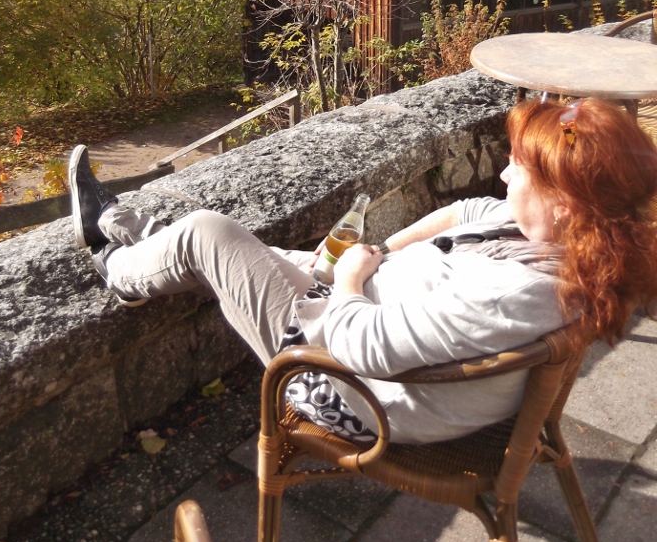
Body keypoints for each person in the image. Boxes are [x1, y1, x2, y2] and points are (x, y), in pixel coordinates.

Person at [69, 97, 657, 445]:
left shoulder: (518, 292)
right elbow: (466, 211)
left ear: (565, 201)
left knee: (209, 231)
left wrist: (350, 278)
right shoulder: (570, 242)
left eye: (519, 170)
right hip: (355, 313)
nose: (503, 176)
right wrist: (381, 249)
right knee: (235, 248)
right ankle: (131, 229)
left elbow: (364, 349)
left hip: (347, 387)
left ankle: (115, 264)